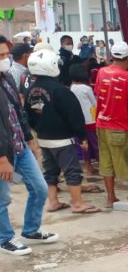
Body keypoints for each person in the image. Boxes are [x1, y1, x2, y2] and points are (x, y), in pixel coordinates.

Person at [0, 36, 58, 255]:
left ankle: (31, 229)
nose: (6, 59)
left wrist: (28, 137)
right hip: (2, 152)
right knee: (2, 198)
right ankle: (5, 238)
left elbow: (16, 111)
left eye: (6, 54)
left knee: (40, 187)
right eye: (1, 56)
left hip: (18, 145)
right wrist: (2, 158)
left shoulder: (7, 78)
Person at [24, 49, 100, 214]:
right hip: (63, 139)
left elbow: (28, 115)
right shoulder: (61, 91)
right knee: (72, 170)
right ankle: (77, 203)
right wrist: (82, 137)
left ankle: (53, 201)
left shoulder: (30, 90)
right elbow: (74, 116)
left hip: (43, 138)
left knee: (50, 171)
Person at [94, 41, 128, 207]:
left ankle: (111, 197)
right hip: (119, 125)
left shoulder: (102, 72)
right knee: (127, 162)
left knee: (106, 161)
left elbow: (98, 93)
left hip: (101, 123)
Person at [69, 63, 99, 177]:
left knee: (84, 144)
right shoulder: (86, 88)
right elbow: (94, 103)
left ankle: (88, 166)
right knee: (96, 144)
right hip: (90, 119)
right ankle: (102, 164)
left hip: (79, 120)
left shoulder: (72, 88)